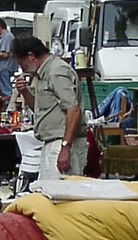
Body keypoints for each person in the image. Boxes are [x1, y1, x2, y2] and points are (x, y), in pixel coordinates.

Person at [12, 35, 88, 181]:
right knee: (47, 192)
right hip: (52, 142)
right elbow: (41, 110)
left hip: (62, 142)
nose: (23, 68)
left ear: (31, 56)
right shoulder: (43, 74)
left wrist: (66, 147)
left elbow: (74, 109)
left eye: (22, 63)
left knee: (62, 195)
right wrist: (25, 92)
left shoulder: (56, 71)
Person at [0, 18, 16, 99]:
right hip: (1, 67)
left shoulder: (7, 37)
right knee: (4, 90)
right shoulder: (3, 37)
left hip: (4, 67)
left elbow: (5, 54)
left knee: (7, 91)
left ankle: (9, 107)